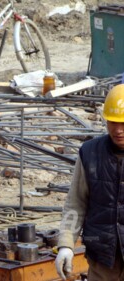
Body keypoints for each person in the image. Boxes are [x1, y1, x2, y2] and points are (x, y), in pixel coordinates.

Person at [55, 84, 124, 281]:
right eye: (112, 122)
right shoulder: (90, 153)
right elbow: (76, 202)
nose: (118, 130)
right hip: (102, 261)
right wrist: (66, 244)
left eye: (123, 124)